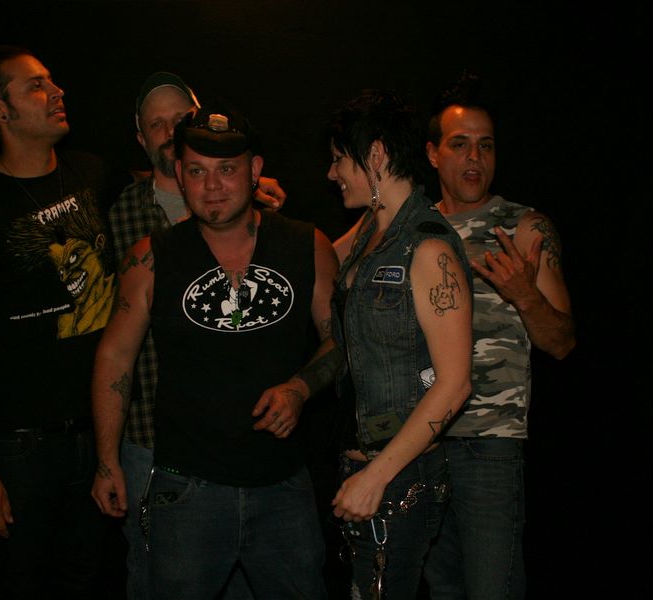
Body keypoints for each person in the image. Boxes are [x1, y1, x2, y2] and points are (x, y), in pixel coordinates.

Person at [91, 99, 341, 599]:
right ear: (179, 176)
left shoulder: (306, 245)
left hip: (282, 487)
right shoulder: (150, 257)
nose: (212, 185)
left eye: (226, 169)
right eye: (197, 171)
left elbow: (344, 340)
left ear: (255, 170)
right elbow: (114, 358)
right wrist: (107, 460)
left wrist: (300, 388)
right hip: (186, 490)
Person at [0, 45, 125, 599]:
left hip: (98, 435)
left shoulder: (90, 171)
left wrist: (247, 189)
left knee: (87, 582)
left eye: (52, 81)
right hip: (20, 447)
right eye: (36, 86)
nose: (57, 92)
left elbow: (159, 184)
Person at [107, 71, 285, 600]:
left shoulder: (249, 202)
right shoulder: (119, 213)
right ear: (140, 138)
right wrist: (107, 454)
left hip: (240, 436)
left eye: (178, 120)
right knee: (153, 574)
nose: (168, 133)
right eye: (155, 125)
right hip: (147, 434)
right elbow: (111, 345)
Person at [421, 73, 576, 600]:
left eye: (485, 146)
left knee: (493, 589)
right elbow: (331, 266)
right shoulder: (411, 227)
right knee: (441, 590)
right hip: (419, 442)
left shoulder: (525, 228)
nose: (474, 158)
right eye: (459, 144)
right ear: (432, 154)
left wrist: (525, 296)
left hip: (489, 445)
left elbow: (562, 342)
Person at [327, 89, 474, 599]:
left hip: (398, 477)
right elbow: (313, 258)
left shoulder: (428, 246)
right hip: (364, 468)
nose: (331, 173)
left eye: (339, 158)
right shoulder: (373, 230)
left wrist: (376, 477)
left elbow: (455, 385)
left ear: (375, 155)